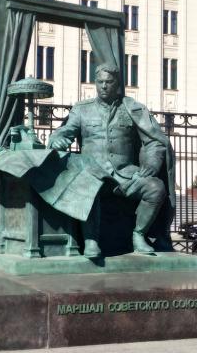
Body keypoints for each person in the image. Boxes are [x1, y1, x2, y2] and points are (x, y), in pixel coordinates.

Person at [48, 64, 171, 257]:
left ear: (117, 84)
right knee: (88, 185)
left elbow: (154, 142)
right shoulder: (82, 110)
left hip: (125, 174)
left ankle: (138, 235)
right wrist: (57, 140)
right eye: (100, 82)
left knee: (156, 188)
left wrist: (152, 163)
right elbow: (64, 132)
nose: (104, 86)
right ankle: (91, 240)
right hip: (92, 173)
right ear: (95, 83)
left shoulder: (132, 109)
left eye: (109, 82)